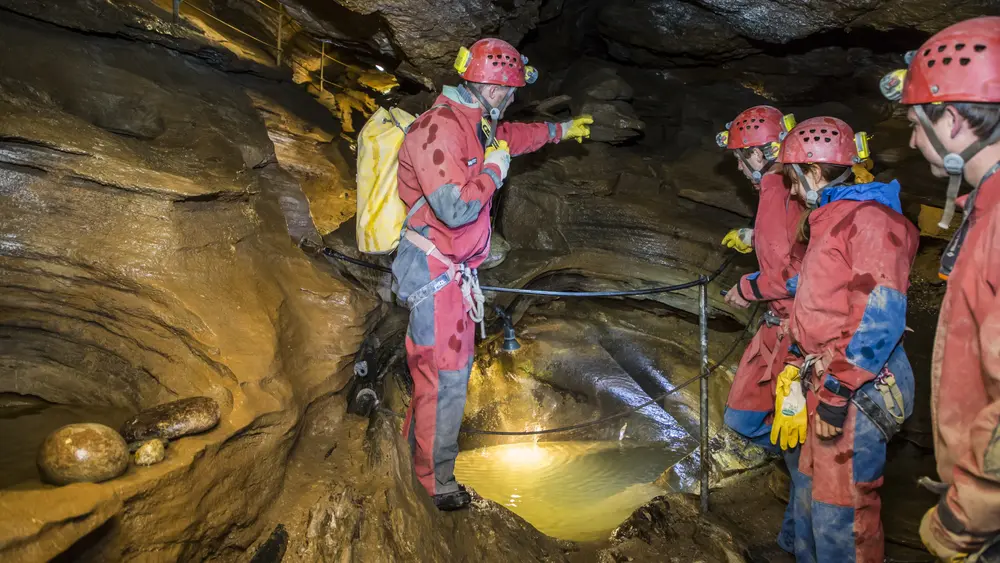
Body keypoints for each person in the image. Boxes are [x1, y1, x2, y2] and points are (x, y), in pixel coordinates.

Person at [392, 38, 594, 511]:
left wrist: (560, 131)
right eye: (507, 91)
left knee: (439, 376)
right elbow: (456, 207)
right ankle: (434, 483)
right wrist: (492, 171)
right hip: (433, 270)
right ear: (487, 86)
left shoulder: (476, 121)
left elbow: (513, 138)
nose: (510, 99)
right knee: (444, 380)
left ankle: (418, 459)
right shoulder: (438, 128)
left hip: (451, 271)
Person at [882, 16, 1000, 561]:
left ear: (951, 119)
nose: (911, 139)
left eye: (915, 122)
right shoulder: (985, 207)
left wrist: (966, 515)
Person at [774, 116, 918, 562]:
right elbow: (828, 296)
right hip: (827, 377)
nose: (793, 191)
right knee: (815, 497)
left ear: (814, 171)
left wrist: (836, 392)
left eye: (793, 179)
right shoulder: (833, 218)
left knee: (843, 513)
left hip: (859, 387)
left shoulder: (870, 221)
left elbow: (880, 317)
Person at [718, 105, 804, 450]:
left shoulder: (773, 189)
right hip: (792, 323)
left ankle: (792, 457)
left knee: (743, 421)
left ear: (757, 153)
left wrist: (746, 286)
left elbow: (791, 274)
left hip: (791, 332)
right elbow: (798, 243)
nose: (739, 167)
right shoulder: (796, 185)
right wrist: (753, 237)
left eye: (741, 158)